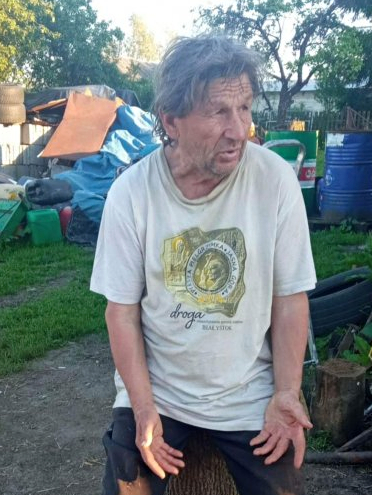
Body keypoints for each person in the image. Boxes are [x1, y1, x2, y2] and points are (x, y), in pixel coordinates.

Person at [90, 33, 317, 495]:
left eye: (245, 108)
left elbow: (290, 299)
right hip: (160, 393)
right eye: (218, 112)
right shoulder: (132, 194)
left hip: (248, 394)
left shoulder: (274, 180)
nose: (239, 130)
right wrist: (143, 408)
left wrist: (286, 392)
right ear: (170, 121)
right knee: (127, 484)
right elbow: (122, 312)